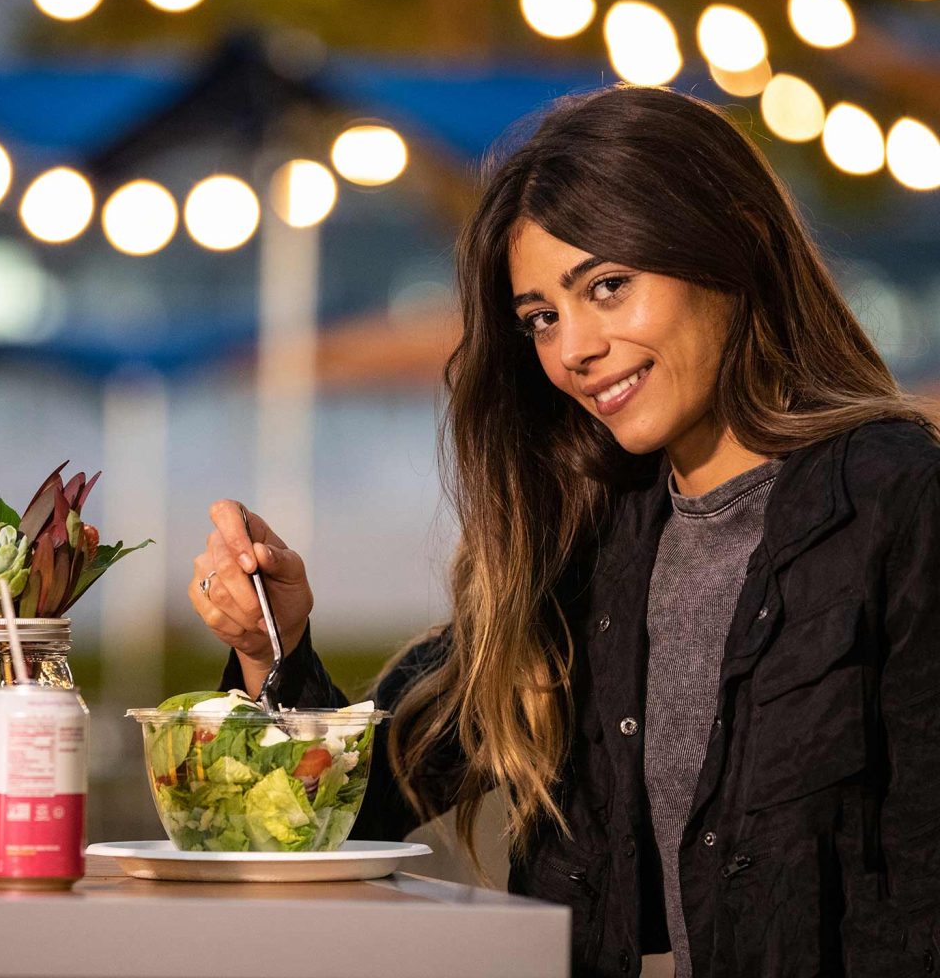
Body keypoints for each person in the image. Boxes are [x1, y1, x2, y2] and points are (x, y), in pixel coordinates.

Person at [188, 85, 940, 977]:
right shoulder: (580, 540)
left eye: (609, 288)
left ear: (732, 247)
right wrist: (272, 645)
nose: (572, 349)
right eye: (542, 317)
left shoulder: (899, 503)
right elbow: (350, 816)